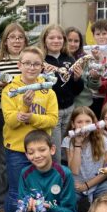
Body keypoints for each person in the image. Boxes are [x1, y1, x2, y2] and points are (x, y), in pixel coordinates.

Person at [1, 46, 58, 212]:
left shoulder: (47, 89)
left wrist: (31, 117)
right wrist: (24, 106)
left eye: (36, 64)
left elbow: (52, 120)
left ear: (42, 66)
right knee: (17, 191)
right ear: (19, 65)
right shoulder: (10, 90)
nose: (31, 67)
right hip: (17, 149)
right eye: (27, 63)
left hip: (41, 150)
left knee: (40, 190)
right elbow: (10, 121)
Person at [0, 23, 29, 212]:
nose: (17, 41)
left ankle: (24, 201)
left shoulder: (30, 60)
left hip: (27, 115)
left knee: (24, 159)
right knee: (1, 161)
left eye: (20, 37)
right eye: (12, 37)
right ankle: (1, 204)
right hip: (1, 113)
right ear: (5, 40)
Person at [61, 106, 107, 202]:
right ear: (73, 124)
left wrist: (87, 185)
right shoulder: (68, 140)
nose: (84, 126)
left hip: (97, 185)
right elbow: (74, 170)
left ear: (94, 124)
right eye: (79, 122)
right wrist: (77, 144)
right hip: (77, 187)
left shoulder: (101, 140)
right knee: (65, 202)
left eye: (87, 122)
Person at [40, 24, 83, 164]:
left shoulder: (69, 59)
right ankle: (56, 182)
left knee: (68, 151)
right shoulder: (41, 61)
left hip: (69, 110)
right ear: (45, 40)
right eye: (51, 37)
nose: (56, 40)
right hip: (53, 112)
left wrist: (77, 79)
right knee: (56, 154)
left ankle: (69, 181)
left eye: (59, 37)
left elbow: (76, 90)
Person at [65, 26, 101, 109]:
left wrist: (95, 79)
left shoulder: (86, 59)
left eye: (76, 41)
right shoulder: (59, 59)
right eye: (69, 40)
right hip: (64, 107)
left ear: (80, 43)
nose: (73, 44)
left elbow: (94, 87)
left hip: (83, 106)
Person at [88, 19, 107, 119]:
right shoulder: (89, 51)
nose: (101, 37)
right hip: (94, 96)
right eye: (98, 34)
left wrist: (102, 60)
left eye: (104, 33)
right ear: (93, 35)